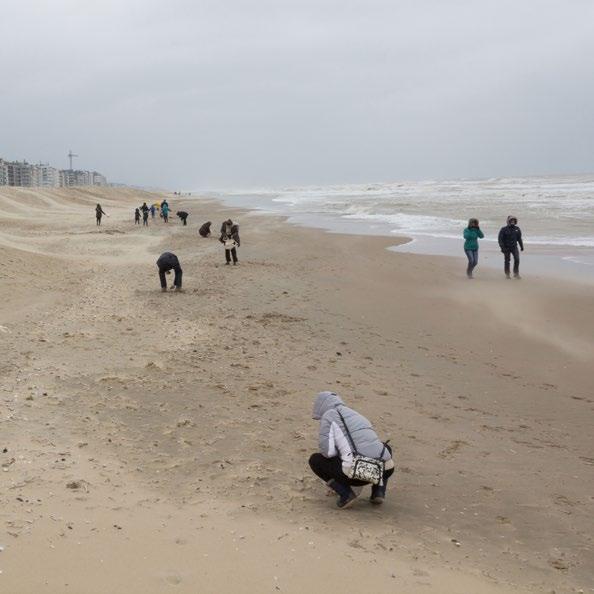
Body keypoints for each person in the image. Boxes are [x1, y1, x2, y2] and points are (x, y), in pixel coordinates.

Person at [308, 391, 394, 509]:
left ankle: (346, 494)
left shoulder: (329, 415)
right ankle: (378, 492)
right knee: (384, 448)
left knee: (316, 460)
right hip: (384, 470)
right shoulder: (356, 415)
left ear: (321, 406)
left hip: (360, 472)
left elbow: (328, 453)